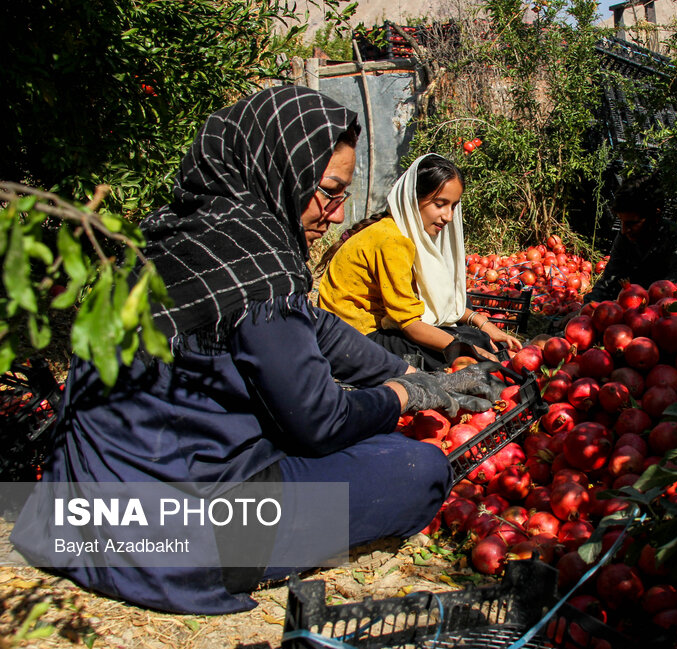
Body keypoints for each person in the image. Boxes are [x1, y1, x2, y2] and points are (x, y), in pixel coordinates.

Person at [11, 86, 501, 615]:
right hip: (178, 543)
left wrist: (409, 370)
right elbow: (320, 423)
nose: (337, 215)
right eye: (329, 192)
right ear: (280, 171)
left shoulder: (176, 234)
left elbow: (319, 330)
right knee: (419, 468)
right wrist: (405, 393)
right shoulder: (257, 265)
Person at [315, 154, 522, 371]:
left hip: (362, 329)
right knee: (465, 345)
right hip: (354, 339)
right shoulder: (393, 241)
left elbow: (438, 299)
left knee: (470, 333)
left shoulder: (400, 230)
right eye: (440, 204)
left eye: (453, 206)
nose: (448, 216)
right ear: (413, 200)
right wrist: (471, 349)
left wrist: (483, 323)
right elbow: (411, 326)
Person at [584, 172, 677, 304]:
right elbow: (607, 282)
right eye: (621, 222)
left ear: (655, 216)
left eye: (632, 223)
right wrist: (585, 309)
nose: (624, 230)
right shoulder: (625, 238)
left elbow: (672, 295)